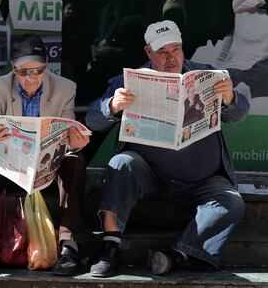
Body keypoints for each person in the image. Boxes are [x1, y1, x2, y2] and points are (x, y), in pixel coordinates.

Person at [86, 20, 249, 277]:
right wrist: (112, 106)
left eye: (176, 49)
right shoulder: (128, 81)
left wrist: (230, 98)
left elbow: (240, 113)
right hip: (150, 177)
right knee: (120, 163)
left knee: (233, 202)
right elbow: (92, 119)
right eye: (163, 51)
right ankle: (110, 247)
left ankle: (176, 255)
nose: (171, 57)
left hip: (202, 181)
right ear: (148, 52)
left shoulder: (205, 75)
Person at [0, 34, 90, 276]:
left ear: (46, 68)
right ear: (13, 69)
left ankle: (69, 247)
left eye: (37, 71)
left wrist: (75, 144)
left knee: (75, 160)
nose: (31, 78)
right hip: (9, 167)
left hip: (46, 169)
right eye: (23, 72)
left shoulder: (65, 88)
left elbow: (68, 129)